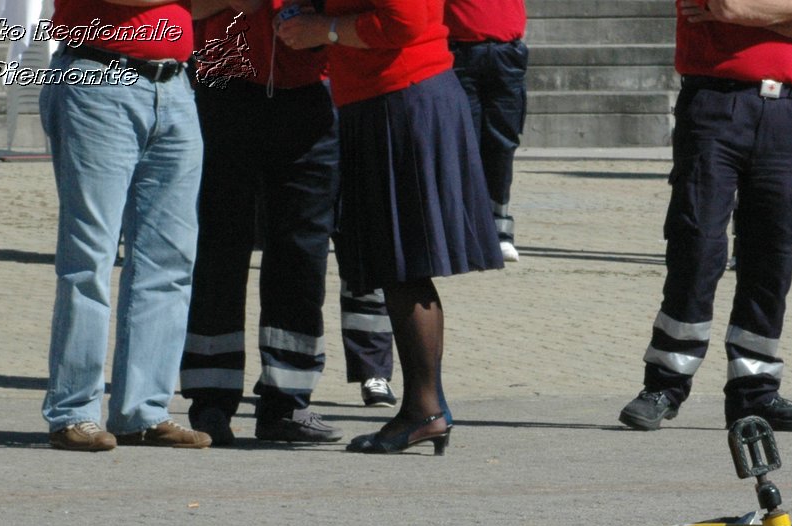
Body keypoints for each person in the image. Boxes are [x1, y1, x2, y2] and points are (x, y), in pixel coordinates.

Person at [277, 0, 503, 456]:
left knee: (405, 264)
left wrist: (326, 29)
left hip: (403, 99)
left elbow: (404, 21)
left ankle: (425, 411)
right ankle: (425, 408)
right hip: (381, 100)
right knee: (398, 265)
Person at [617, 0, 792, 435]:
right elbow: (728, 4)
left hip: (785, 111)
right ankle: (664, 385)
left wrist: (770, 12)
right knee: (697, 246)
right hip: (714, 106)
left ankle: (755, 393)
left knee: (772, 257)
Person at [39, 0, 211, 451]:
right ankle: (74, 411)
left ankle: (144, 412)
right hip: (99, 76)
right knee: (88, 257)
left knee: (169, 260)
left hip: (172, 84)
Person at [179, 0, 343, 447]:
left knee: (302, 254)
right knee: (218, 248)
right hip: (223, 86)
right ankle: (210, 401)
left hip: (310, 93)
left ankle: (287, 401)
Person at [444, 0, 528, 263]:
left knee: (503, 144)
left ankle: (499, 229)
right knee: (462, 143)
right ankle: (463, 230)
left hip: (506, 51)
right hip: (459, 50)